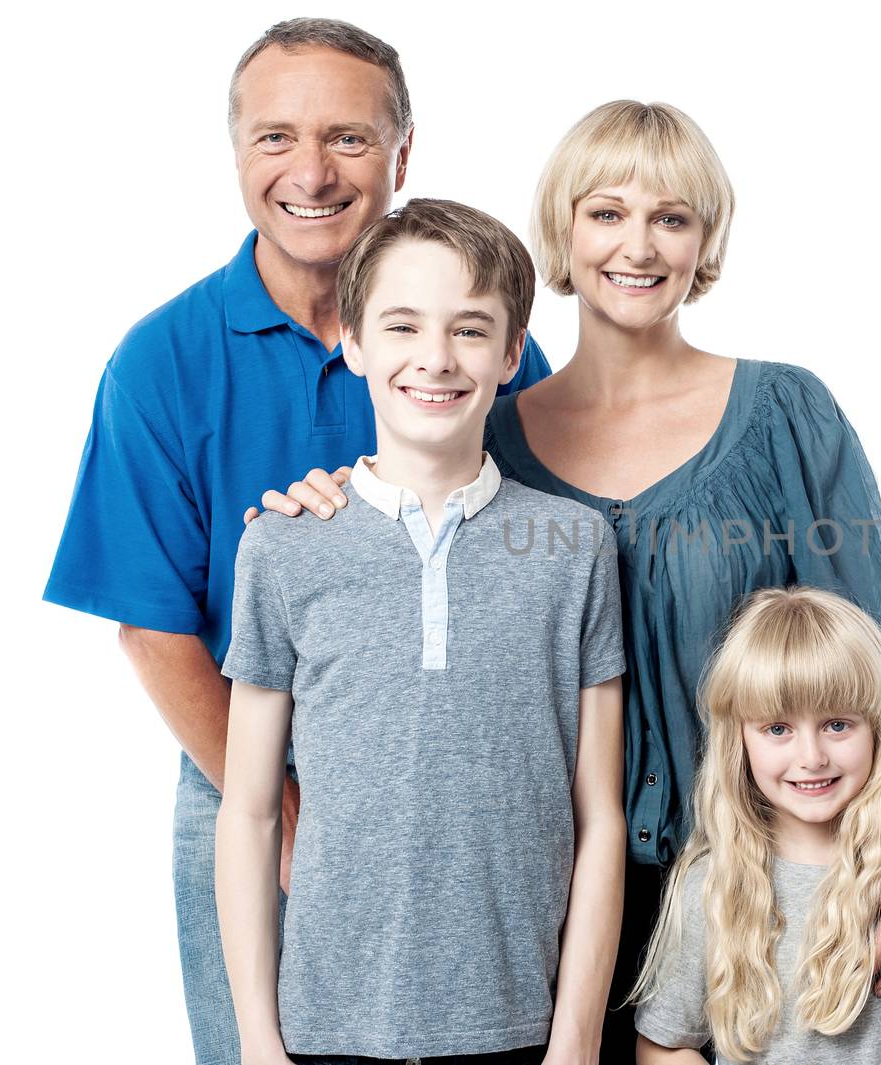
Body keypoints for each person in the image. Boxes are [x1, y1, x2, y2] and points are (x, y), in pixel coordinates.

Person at [260, 100, 881, 1064]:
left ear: (705, 240)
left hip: (754, 876)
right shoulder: (482, 424)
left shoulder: (788, 413)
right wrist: (320, 497)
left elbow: (863, 661)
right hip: (546, 899)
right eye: (606, 212)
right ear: (564, 232)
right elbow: (396, 511)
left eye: (672, 216)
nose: (639, 244)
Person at [40, 19, 551, 1065]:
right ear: (236, 153)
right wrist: (278, 809)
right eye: (275, 138)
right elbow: (152, 628)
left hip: (456, 770)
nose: (310, 172)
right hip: (245, 766)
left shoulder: (482, 343)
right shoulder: (163, 360)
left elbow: (539, 548)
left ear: (404, 153)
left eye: (349, 140)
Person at [216, 198, 625, 1064]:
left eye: (472, 330)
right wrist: (258, 1041)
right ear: (354, 343)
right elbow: (250, 812)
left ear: (513, 354)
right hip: (324, 1030)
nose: (435, 358)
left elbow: (599, 818)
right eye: (402, 326)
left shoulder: (573, 548)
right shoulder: (283, 548)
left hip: (519, 1031)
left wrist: (577, 1039)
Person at [631, 587, 881, 1065]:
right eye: (778, 729)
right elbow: (665, 1045)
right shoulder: (710, 884)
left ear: (880, 727)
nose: (812, 758)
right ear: (739, 740)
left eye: (838, 724)